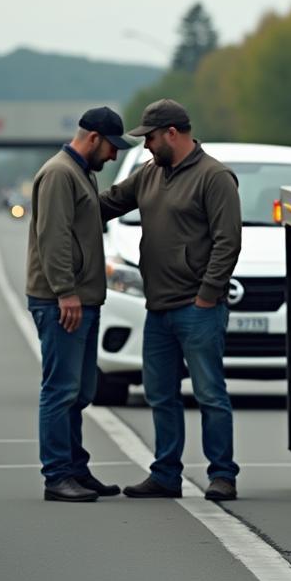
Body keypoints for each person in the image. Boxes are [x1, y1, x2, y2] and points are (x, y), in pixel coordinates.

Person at [100, 99, 243, 502]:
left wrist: (207, 296)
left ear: (172, 134)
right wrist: (65, 199)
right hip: (158, 309)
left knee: (209, 394)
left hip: (197, 309)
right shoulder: (149, 175)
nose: (145, 145)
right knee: (160, 394)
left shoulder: (214, 177)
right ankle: (165, 474)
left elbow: (227, 241)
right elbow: (107, 203)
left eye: (149, 137)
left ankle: (222, 475)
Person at [25, 106, 132, 503]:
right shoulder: (59, 174)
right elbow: (53, 237)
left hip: (82, 300)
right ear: (93, 139)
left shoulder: (80, 173)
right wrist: (65, 292)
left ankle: (75, 468)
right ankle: (56, 476)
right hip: (61, 302)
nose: (114, 155)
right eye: (111, 147)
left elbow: (86, 220)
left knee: (81, 390)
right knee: (60, 389)